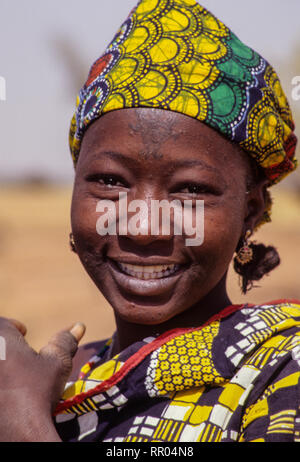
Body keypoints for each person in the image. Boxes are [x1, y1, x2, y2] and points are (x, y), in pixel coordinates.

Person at [0, 0, 299, 443]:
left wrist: (23, 424)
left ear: (250, 212)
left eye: (191, 190)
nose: (143, 227)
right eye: (108, 181)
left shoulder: (278, 371)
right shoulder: (56, 378)